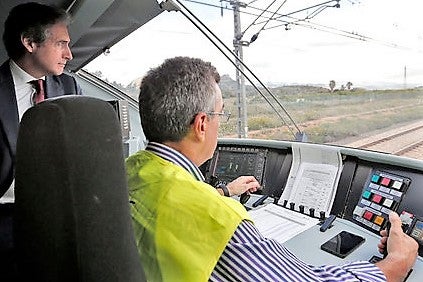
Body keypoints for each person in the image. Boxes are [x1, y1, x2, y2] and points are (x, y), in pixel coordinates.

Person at [126, 56, 418, 281]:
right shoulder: (217, 220)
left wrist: (225, 191)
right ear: (202, 124)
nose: (219, 123)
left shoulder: (128, 172)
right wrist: (398, 261)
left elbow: (168, 201)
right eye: (220, 114)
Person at [0, 2, 82, 200]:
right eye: (60, 44)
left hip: (55, 207)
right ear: (29, 43)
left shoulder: (70, 87)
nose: (68, 55)